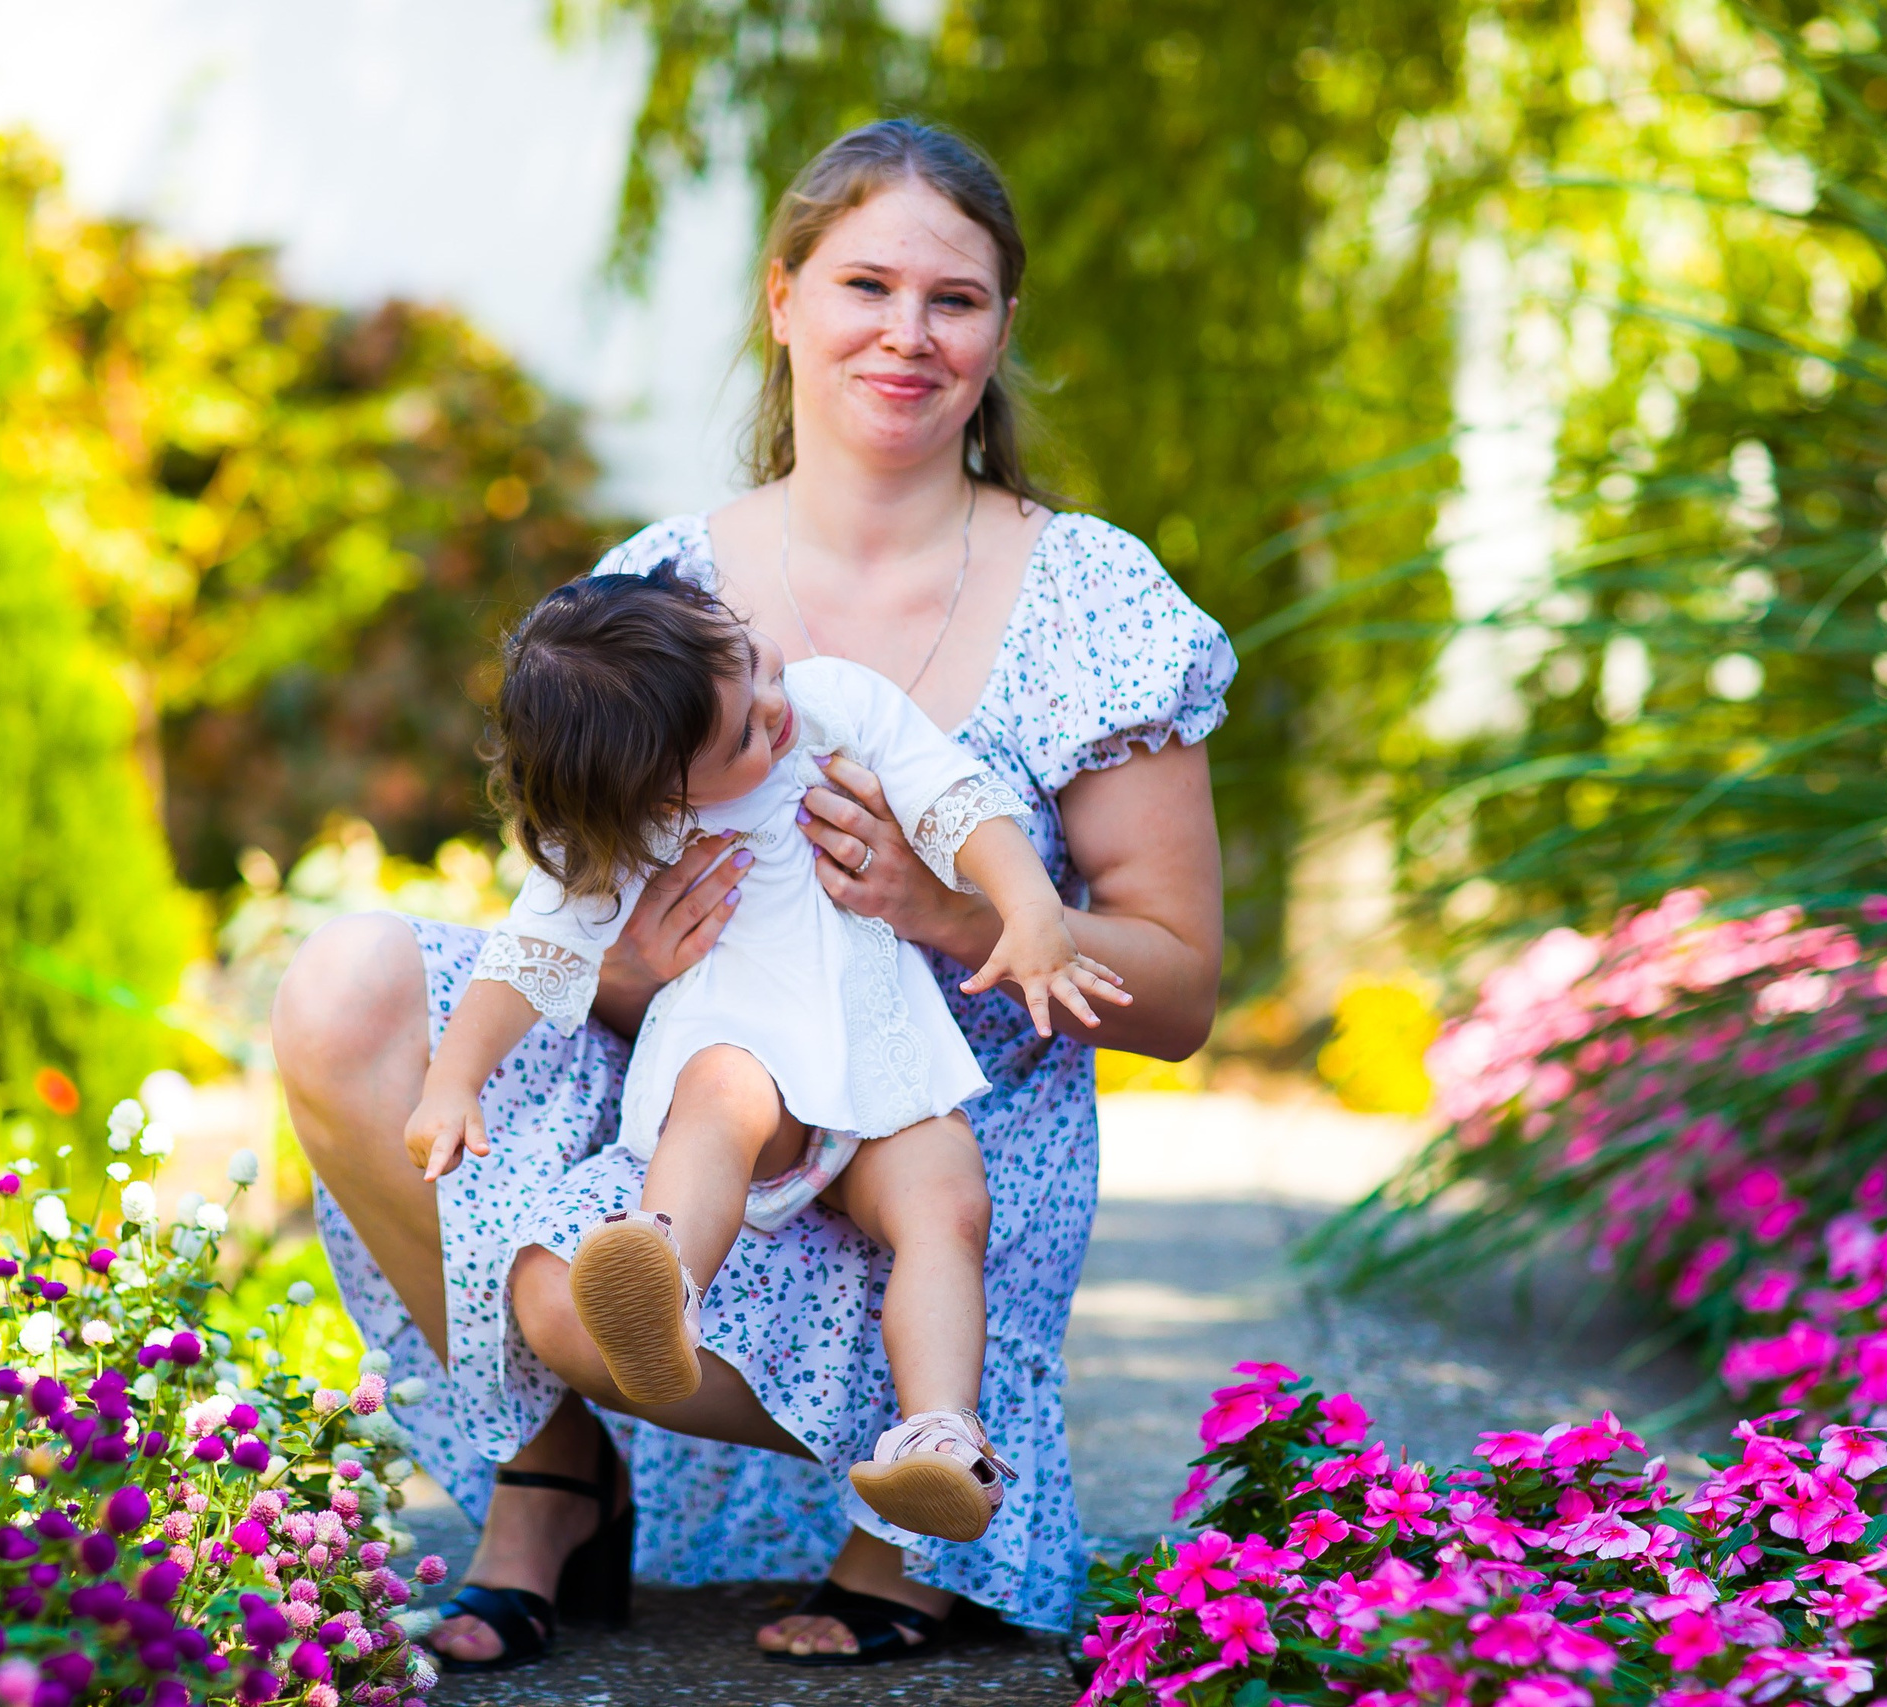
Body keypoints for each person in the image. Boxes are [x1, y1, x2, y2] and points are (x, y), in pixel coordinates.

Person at [274, 117, 1233, 1669]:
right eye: (865, 284)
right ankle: (552, 1478)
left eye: (957, 299)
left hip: (933, 1153)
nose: (907, 335)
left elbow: (1182, 994)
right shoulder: (662, 584)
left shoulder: (1096, 597)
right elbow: (574, 913)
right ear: (783, 299)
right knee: (343, 986)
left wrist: (952, 909)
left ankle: (912, 1476)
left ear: (1003, 327)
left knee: (609, 1297)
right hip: (706, 1104)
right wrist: (635, 968)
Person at [406, 566, 1128, 1551]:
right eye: (742, 734)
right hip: (740, 1049)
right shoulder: (644, 826)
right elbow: (531, 954)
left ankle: (939, 1437)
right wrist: (452, 1079)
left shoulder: (836, 705)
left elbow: (955, 801)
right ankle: (662, 1283)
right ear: (664, 791)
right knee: (723, 1092)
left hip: (882, 1058)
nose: (776, 711)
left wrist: (1031, 905)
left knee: (948, 1201)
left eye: (756, 665)